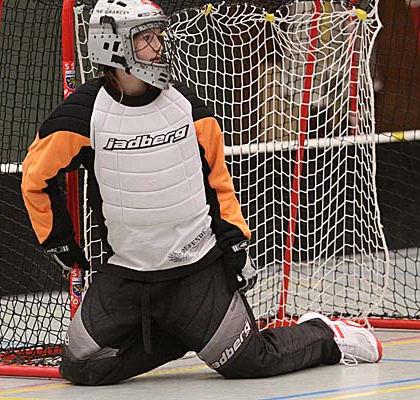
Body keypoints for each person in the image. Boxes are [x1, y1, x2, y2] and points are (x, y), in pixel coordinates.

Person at [21, 0, 382, 386]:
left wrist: (236, 246)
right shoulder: (80, 115)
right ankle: (186, 335)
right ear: (111, 44)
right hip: (126, 277)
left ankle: (327, 335)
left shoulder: (189, 109)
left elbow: (219, 185)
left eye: (158, 36)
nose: (158, 47)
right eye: (145, 38)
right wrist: (59, 242)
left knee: (250, 361)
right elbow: (35, 179)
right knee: (82, 366)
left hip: (197, 272)